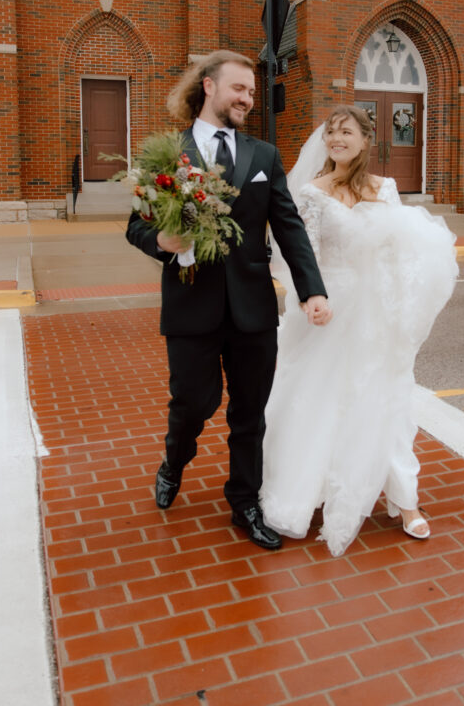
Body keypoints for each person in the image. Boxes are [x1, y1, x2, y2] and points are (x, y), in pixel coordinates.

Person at [126, 50, 331, 550]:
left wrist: (312, 289)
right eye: (239, 88)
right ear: (209, 86)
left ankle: (244, 502)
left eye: (253, 93)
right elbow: (136, 226)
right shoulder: (166, 154)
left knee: (249, 412)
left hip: (252, 308)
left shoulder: (263, 156)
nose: (248, 99)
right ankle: (175, 459)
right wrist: (162, 243)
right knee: (194, 403)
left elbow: (287, 226)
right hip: (190, 304)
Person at [261, 105, 457, 556]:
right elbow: (299, 252)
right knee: (320, 397)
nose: (336, 140)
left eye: (346, 132)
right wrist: (310, 299)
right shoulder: (310, 192)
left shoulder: (384, 189)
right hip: (328, 307)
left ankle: (405, 501)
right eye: (331, 133)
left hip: (375, 310)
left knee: (387, 399)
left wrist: (401, 304)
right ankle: (306, 490)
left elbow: (400, 250)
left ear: (366, 140)